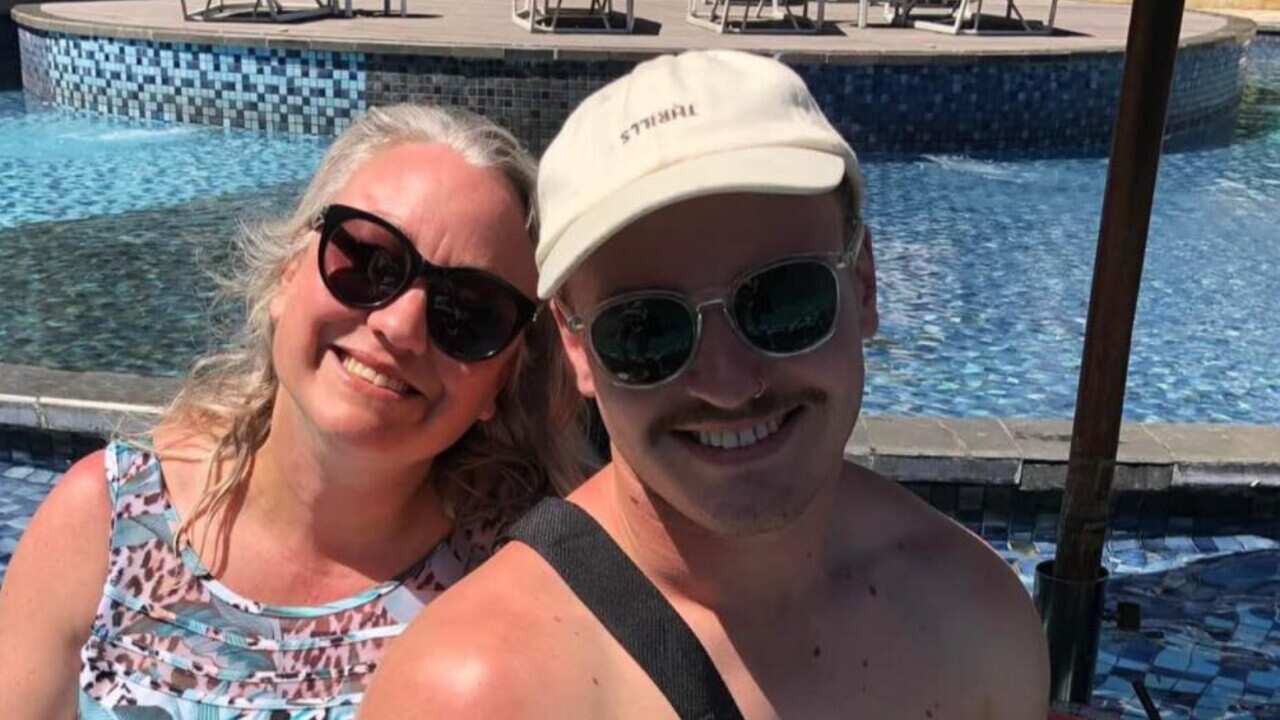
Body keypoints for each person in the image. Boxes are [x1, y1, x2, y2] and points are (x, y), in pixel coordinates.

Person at [362, 50, 1050, 720]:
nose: (727, 385)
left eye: (782, 301)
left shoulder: (974, 619)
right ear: (576, 347)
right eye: (645, 330)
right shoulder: (476, 693)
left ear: (864, 284)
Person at [0, 104, 586, 718]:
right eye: (369, 263)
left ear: (503, 379)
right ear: (287, 274)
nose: (400, 326)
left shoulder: (524, 590)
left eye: (469, 312)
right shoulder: (106, 521)